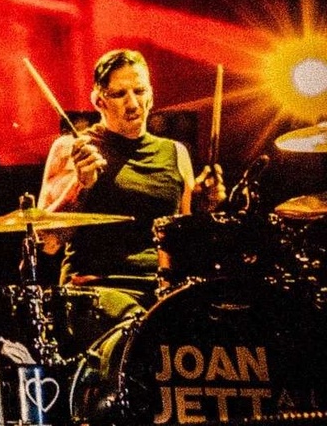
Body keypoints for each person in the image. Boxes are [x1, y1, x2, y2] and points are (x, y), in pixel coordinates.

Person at [37, 49, 226, 333]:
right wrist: (80, 185)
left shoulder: (176, 153)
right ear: (99, 100)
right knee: (140, 332)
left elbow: (184, 245)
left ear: (151, 94)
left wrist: (204, 207)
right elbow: (48, 242)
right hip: (97, 293)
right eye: (119, 94)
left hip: (162, 292)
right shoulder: (72, 148)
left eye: (139, 91)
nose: (133, 103)